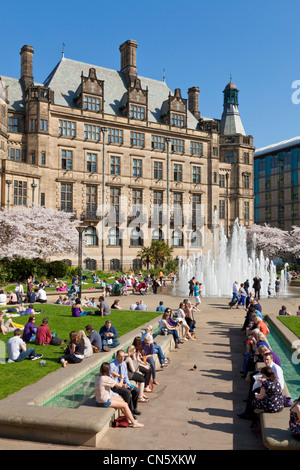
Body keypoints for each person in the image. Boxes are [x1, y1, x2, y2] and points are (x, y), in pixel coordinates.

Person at [95, 362, 143, 428]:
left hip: (99, 399)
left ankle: (128, 418)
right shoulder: (106, 379)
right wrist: (122, 378)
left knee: (122, 400)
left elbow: (106, 382)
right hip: (104, 402)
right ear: (108, 370)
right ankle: (134, 423)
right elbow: (120, 385)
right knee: (125, 405)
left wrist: (112, 377)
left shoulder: (98, 377)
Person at [109, 350, 141, 418]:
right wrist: (123, 385)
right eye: (120, 357)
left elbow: (125, 376)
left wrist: (129, 385)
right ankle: (130, 412)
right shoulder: (112, 365)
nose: (122, 358)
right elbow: (112, 381)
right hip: (115, 385)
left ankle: (134, 408)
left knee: (136, 390)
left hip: (123, 383)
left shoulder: (123, 364)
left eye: (123, 357)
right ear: (117, 356)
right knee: (127, 392)